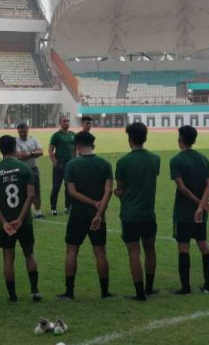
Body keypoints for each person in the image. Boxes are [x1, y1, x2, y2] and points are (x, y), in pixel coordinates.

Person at [59, 131, 114, 300]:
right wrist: (98, 211)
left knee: (72, 251)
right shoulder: (105, 164)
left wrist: (91, 203)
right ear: (93, 145)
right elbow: (108, 191)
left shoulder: (72, 165)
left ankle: (69, 292)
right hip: (97, 215)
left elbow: (72, 192)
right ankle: (104, 292)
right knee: (100, 252)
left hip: (78, 214)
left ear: (77, 146)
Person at [0, 135, 41, 302]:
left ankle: (12, 295)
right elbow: (31, 196)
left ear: (1, 149)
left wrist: (4, 222)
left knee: (8, 258)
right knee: (29, 253)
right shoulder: (25, 169)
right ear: (15, 148)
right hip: (24, 221)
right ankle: (34, 291)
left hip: (6, 224)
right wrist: (20, 218)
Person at [115, 122, 160, 301]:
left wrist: (119, 193)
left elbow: (120, 190)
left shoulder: (123, 162)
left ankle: (140, 292)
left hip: (130, 214)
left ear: (130, 138)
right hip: (149, 213)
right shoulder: (155, 159)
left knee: (134, 252)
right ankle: (149, 287)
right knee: (150, 249)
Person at [170, 126, 209, 294]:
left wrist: (196, 204)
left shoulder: (176, 160)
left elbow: (182, 188)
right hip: (201, 212)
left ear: (180, 140)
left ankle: (185, 287)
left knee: (183, 247)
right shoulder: (203, 159)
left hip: (183, 211)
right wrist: (202, 206)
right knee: (203, 245)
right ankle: (208, 285)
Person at [16, 123, 44, 219]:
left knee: (36, 191)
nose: (23, 134)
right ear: (17, 131)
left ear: (28, 130)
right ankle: (24, 212)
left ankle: (38, 212)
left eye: (24, 131)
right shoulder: (15, 141)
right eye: (21, 132)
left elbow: (41, 152)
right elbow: (19, 156)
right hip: (21, 169)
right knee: (21, 191)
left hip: (33, 168)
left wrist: (30, 153)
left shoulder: (34, 139)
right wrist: (34, 154)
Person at [49, 116, 76, 216]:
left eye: (68, 121)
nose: (67, 122)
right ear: (60, 123)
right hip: (60, 164)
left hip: (70, 165)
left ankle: (67, 207)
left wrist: (75, 159)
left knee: (69, 187)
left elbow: (75, 149)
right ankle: (53, 208)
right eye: (64, 121)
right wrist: (55, 162)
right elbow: (50, 150)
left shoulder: (73, 135)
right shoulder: (56, 135)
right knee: (56, 187)